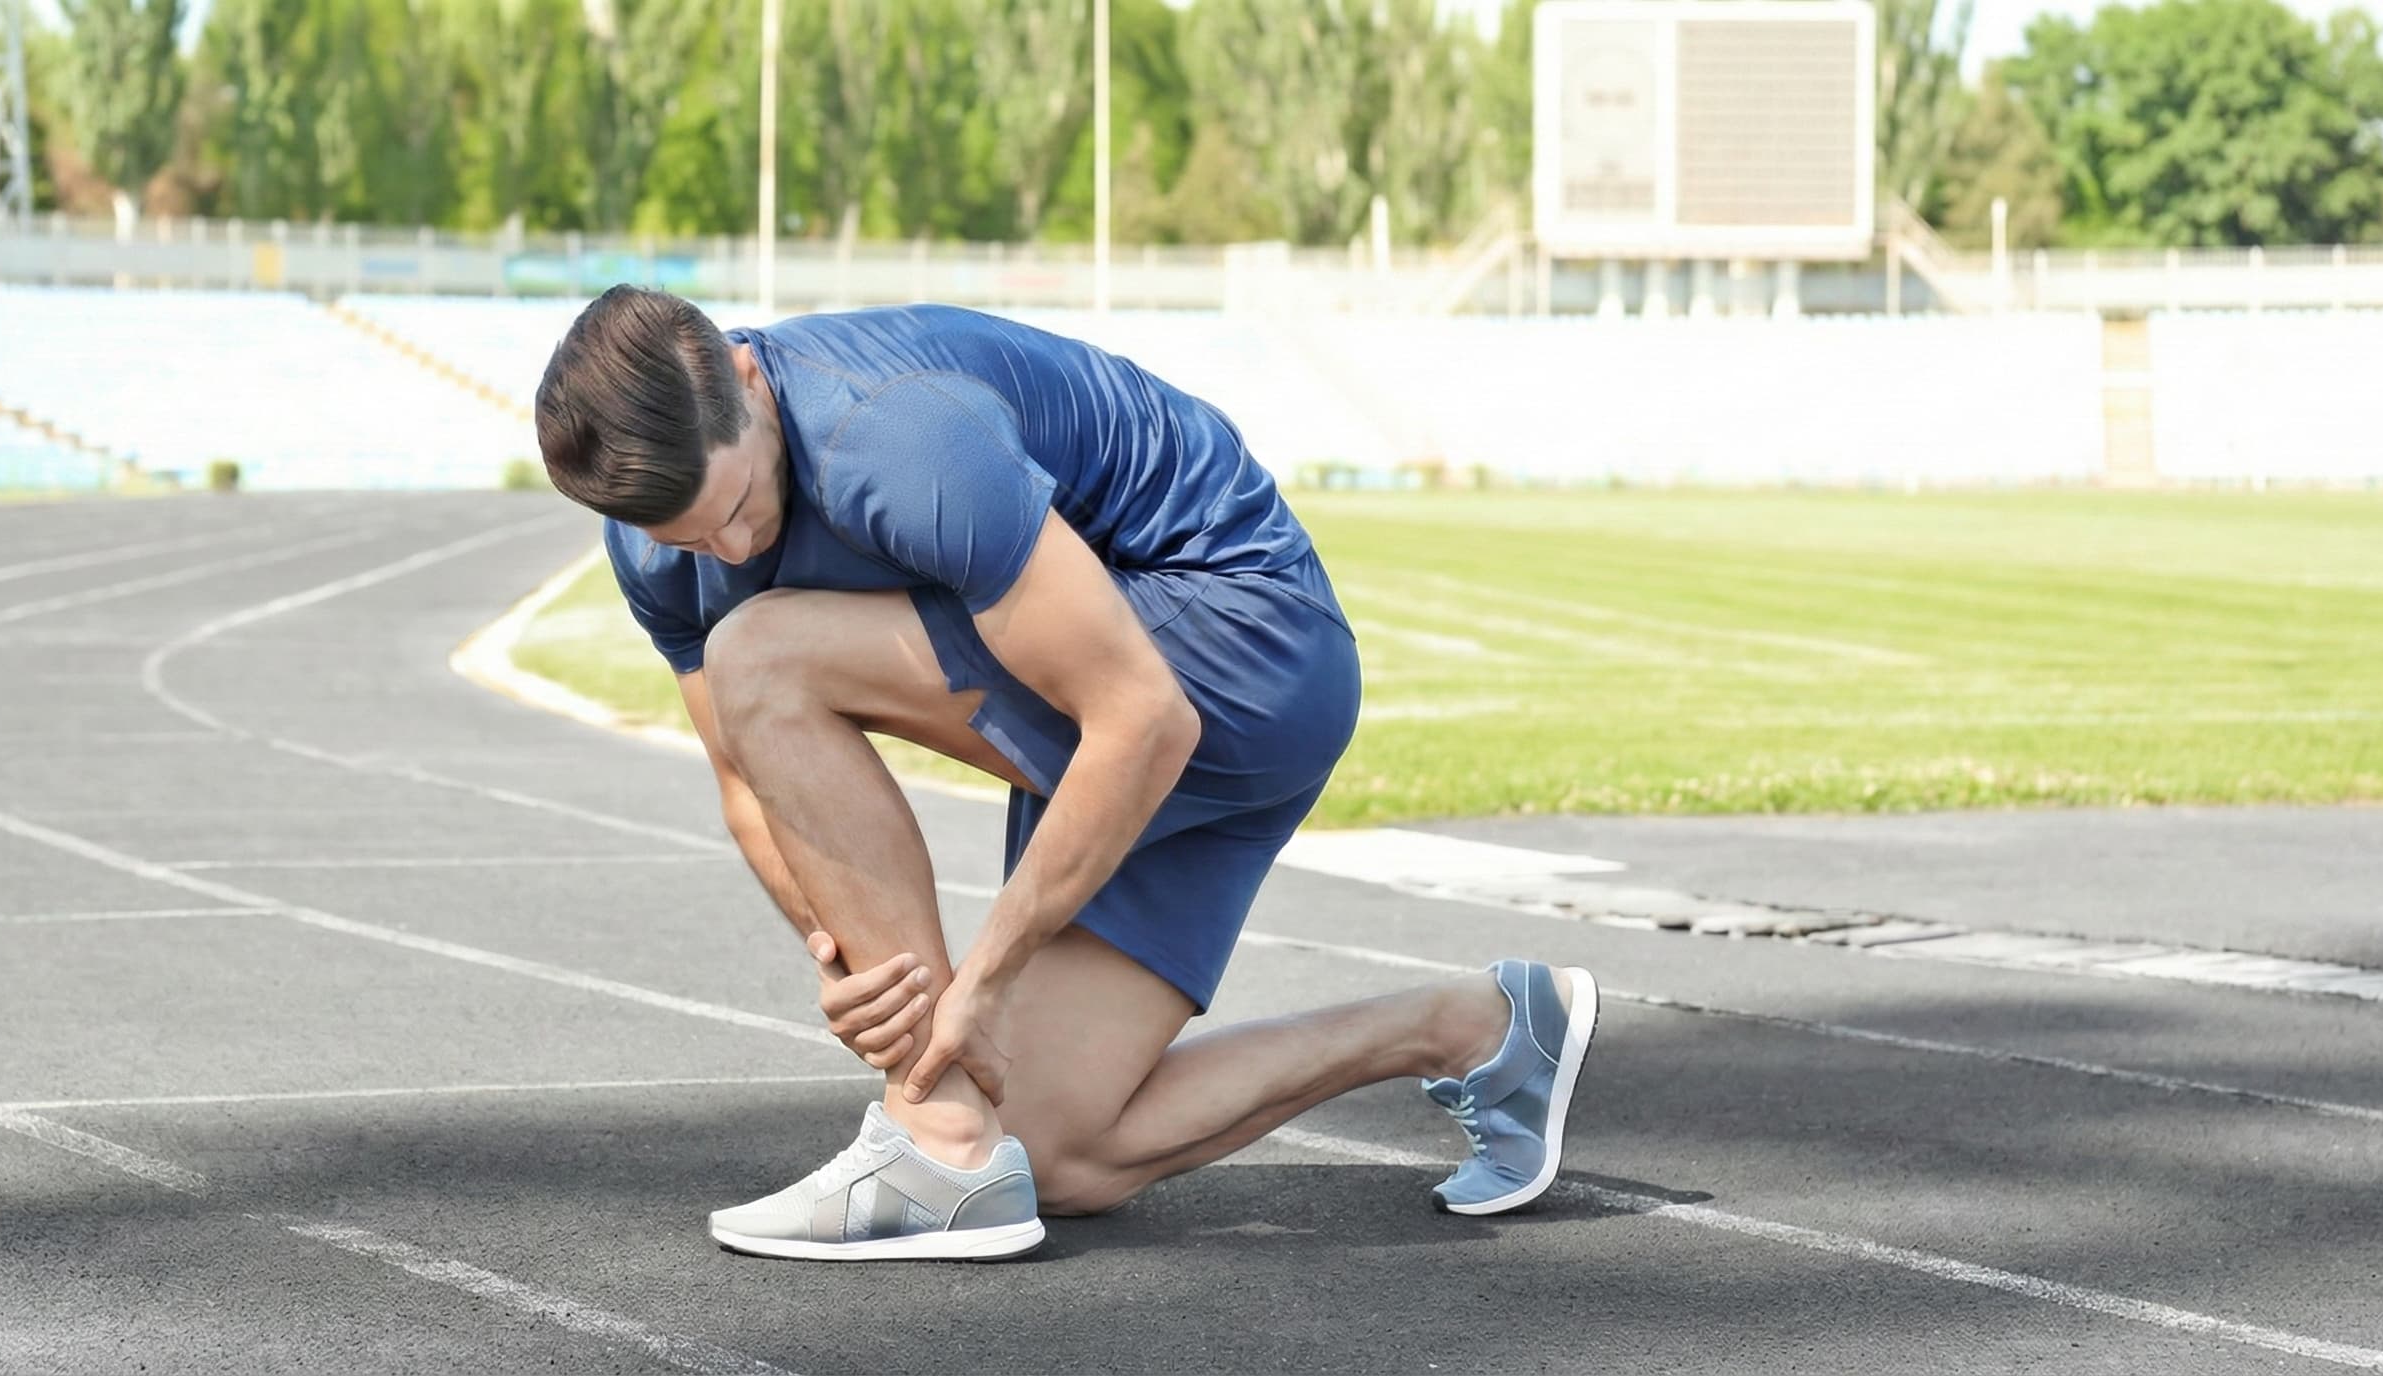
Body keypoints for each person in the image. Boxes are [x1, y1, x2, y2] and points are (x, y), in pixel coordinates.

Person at [531, 286, 1599, 1261]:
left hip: (1239, 646)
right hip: (1126, 714)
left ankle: (932, 1135)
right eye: (686, 534)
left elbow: (1139, 715)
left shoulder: (893, 435)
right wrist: (844, 958)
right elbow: (744, 782)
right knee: (1051, 1153)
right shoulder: (658, 545)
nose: (728, 545)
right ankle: (1475, 1025)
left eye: (737, 501)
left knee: (758, 649)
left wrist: (978, 984)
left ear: (748, 377)